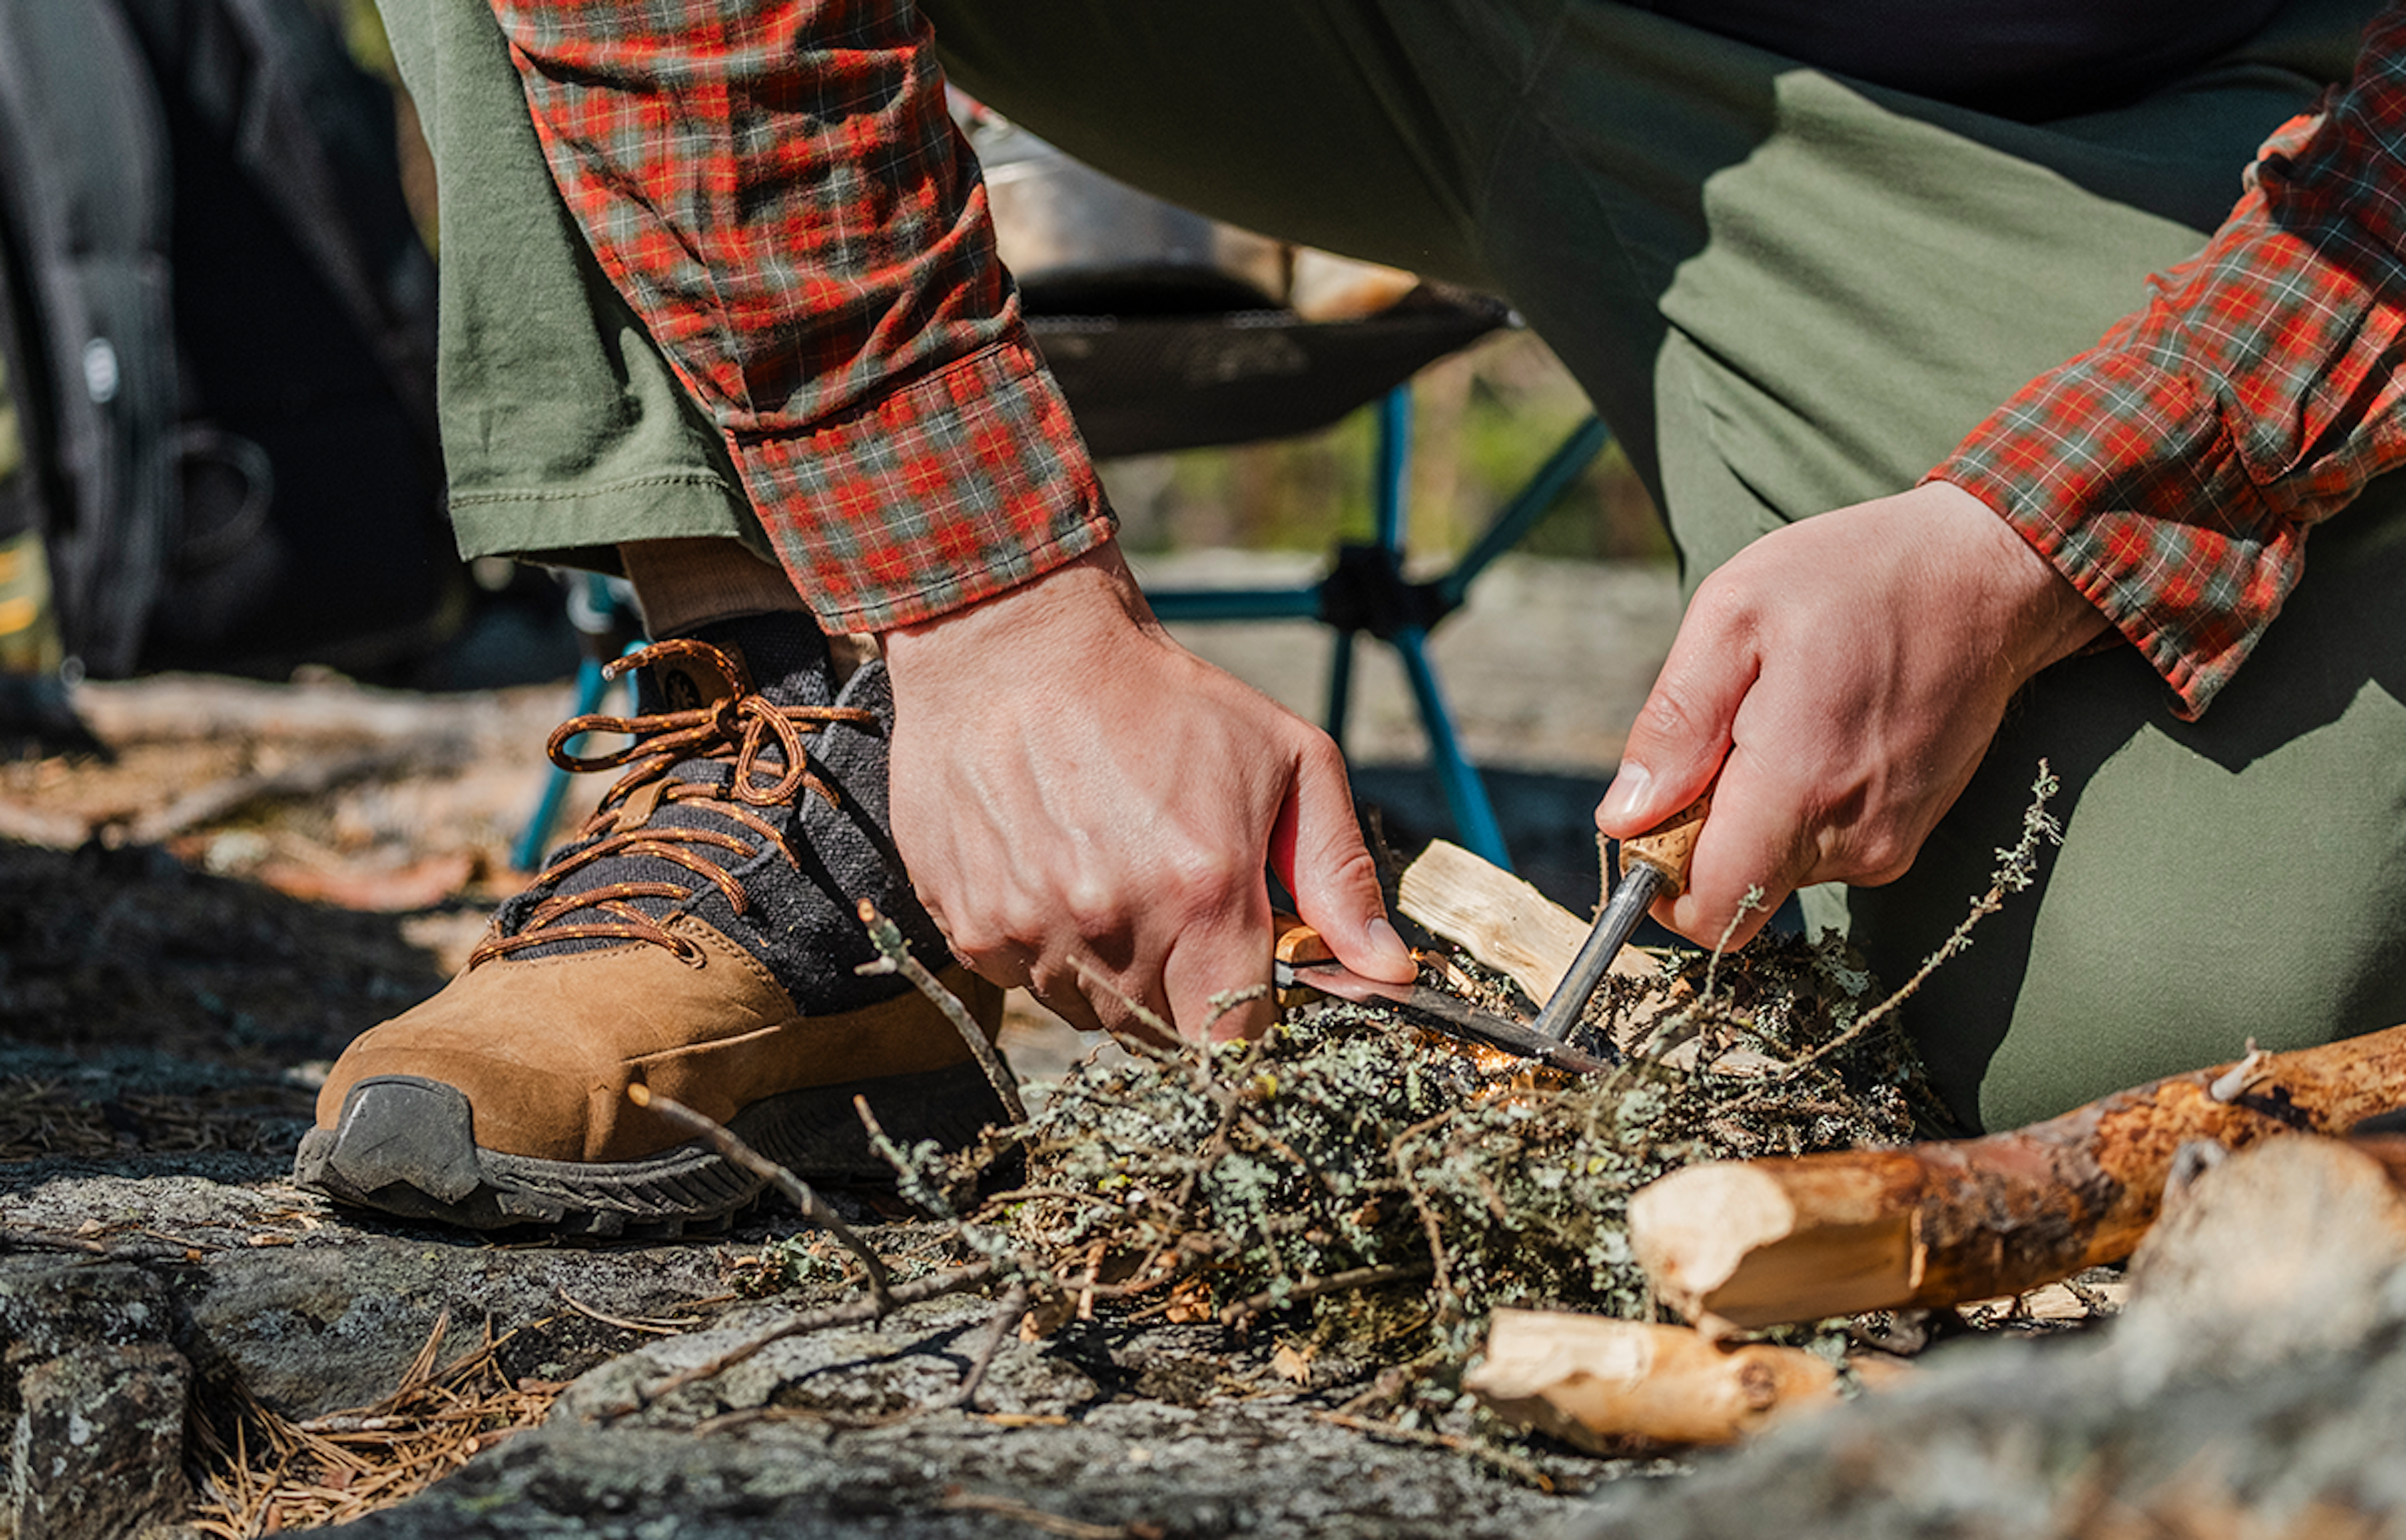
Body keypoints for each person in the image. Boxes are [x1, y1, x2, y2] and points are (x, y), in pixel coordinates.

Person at [299, 0, 2406, 1233]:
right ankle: (792, 729)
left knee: (2181, 1004)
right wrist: (987, 608)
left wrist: (2045, 530)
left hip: (2095, 105)